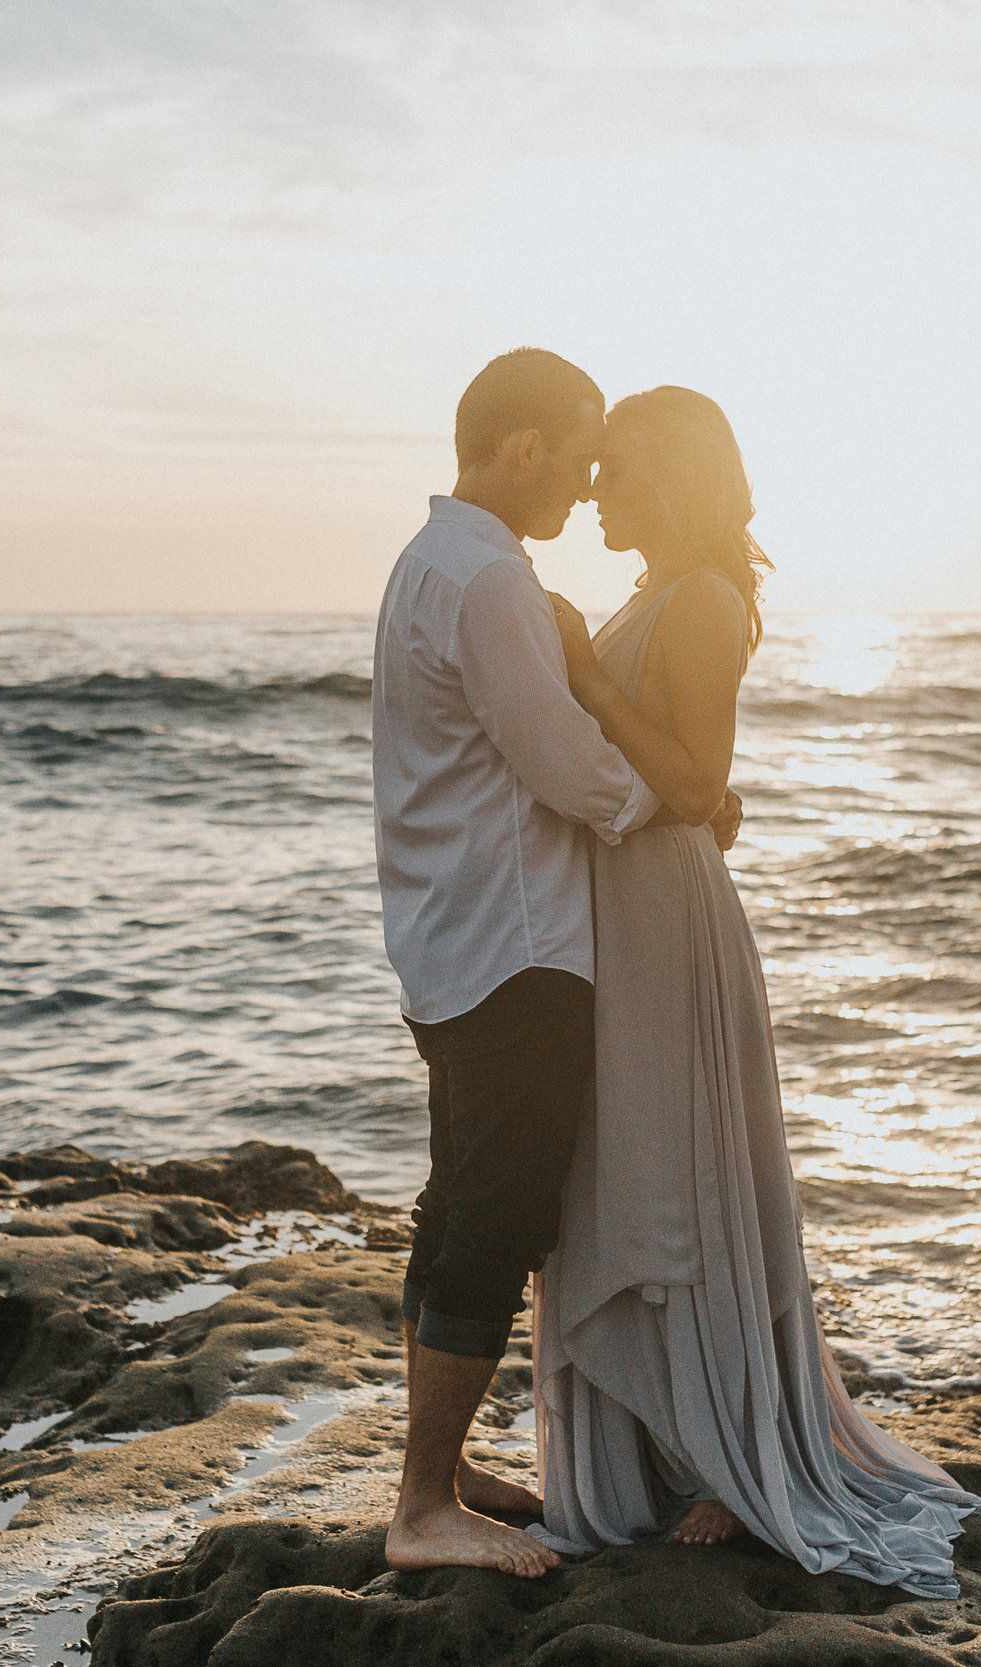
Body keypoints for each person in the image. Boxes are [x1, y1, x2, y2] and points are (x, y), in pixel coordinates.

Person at [533, 386, 981, 1595]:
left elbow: (694, 776)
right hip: (628, 911)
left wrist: (584, 681)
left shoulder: (704, 599)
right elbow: (687, 783)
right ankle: (664, 1440)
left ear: (673, 477)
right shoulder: (653, 594)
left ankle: (734, 1451)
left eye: (617, 470)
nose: (597, 490)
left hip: (665, 918)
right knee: (630, 1165)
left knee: (689, 1168)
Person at [370, 350, 741, 1577]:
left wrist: (673, 792)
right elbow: (567, 766)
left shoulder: (433, 563)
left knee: (458, 1198)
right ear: (524, 446)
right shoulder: (487, 584)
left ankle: (443, 1467)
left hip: (450, 934)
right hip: (516, 945)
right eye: (580, 450)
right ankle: (425, 1503)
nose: (587, 483)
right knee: (498, 1210)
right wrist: (685, 803)